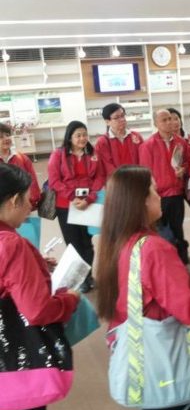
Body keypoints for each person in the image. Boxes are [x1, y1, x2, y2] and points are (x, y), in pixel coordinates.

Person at [96, 165, 190, 410]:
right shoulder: (153, 249)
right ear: (138, 202)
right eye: (152, 190)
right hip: (167, 363)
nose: (159, 196)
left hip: (143, 359)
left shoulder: (118, 244)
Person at [0, 163, 79, 410]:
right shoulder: (12, 244)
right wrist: (69, 300)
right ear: (13, 200)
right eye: (27, 200)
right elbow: (37, 310)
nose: (29, 207)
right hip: (16, 360)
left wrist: (34, 266)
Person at [48, 121, 104, 293]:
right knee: (73, 244)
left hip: (88, 205)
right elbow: (54, 181)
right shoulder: (58, 155)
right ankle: (80, 279)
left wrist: (89, 198)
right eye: (78, 135)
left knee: (87, 242)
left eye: (84, 134)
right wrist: (73, 197)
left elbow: (100, 177)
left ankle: (87, 276)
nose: (82, 138)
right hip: (66, 205)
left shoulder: (93, 154)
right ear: (70, 137)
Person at [139, 109, 190, 263]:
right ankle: (167, 264)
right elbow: (146, 173)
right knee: (162, 233)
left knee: (178, 229)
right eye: (164, 120)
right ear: (156, 123)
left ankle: (182, 263)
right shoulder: (147, 146)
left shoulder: (181, 142)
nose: (169, 122)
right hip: (159, 196)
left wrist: (183, 169)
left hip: (176, 194)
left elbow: (186, 161)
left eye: (170, 119)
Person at [95, 103, 144, 183]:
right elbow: (107, 167)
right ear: (107, 122)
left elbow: (143, 161)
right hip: (117, 184)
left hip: (138, 180)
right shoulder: (103, 142)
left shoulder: (136, 136)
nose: (122, 119)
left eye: (123, 115)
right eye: (116, 117)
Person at [0, 123, 40, 210]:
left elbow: (32, 181)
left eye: (7, 135)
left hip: (23, 206)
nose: (6, 138)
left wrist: (32, 201)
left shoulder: (22, 158)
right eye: (1, 137)